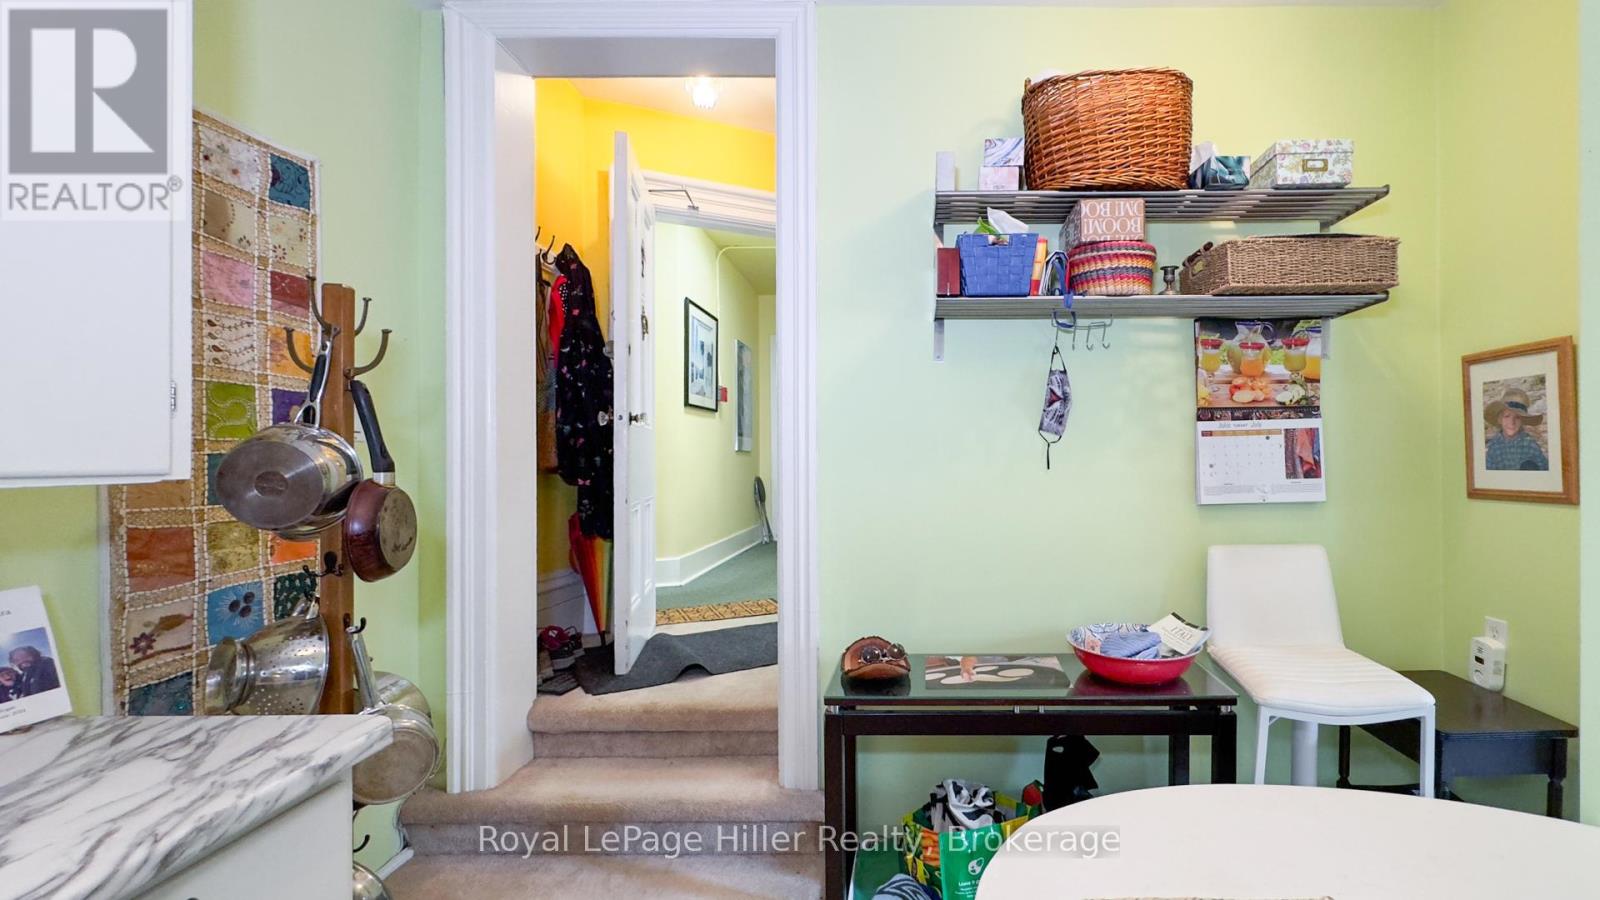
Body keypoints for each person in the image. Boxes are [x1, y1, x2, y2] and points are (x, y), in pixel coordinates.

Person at [1484, 387, 1549, 471]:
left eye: (1517, 417)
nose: (1512, 422)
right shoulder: (1494, 446)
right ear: (1500, 419)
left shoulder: (1530, 445)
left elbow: (1543, 468)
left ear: (1522, 421)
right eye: (1507, 416)